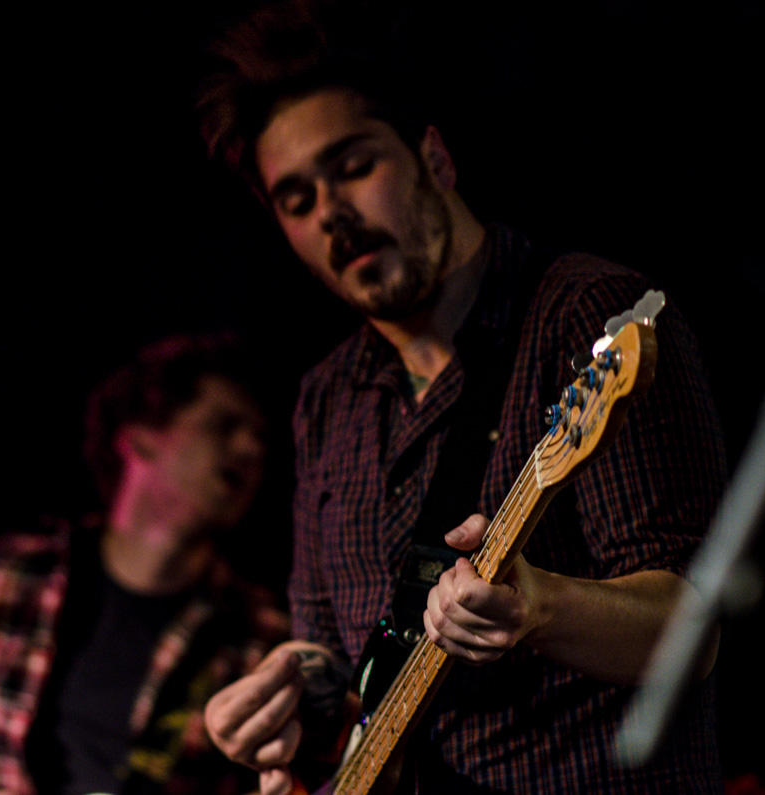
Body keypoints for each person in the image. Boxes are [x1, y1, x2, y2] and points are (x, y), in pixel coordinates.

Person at [196, 2, 729, 793]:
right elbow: (343, 662)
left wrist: (542, 605)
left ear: (434, 157)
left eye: (354, 166)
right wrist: (284, 697)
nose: (333, 214)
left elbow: (693, 625)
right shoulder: (325, 399)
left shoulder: (589, 317)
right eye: (298, 200)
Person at [0, 333, 287, 795]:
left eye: (261, 438)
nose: (251, 449)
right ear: (140, 437)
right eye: (223, 426)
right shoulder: (17, 573)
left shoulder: (259, 633)